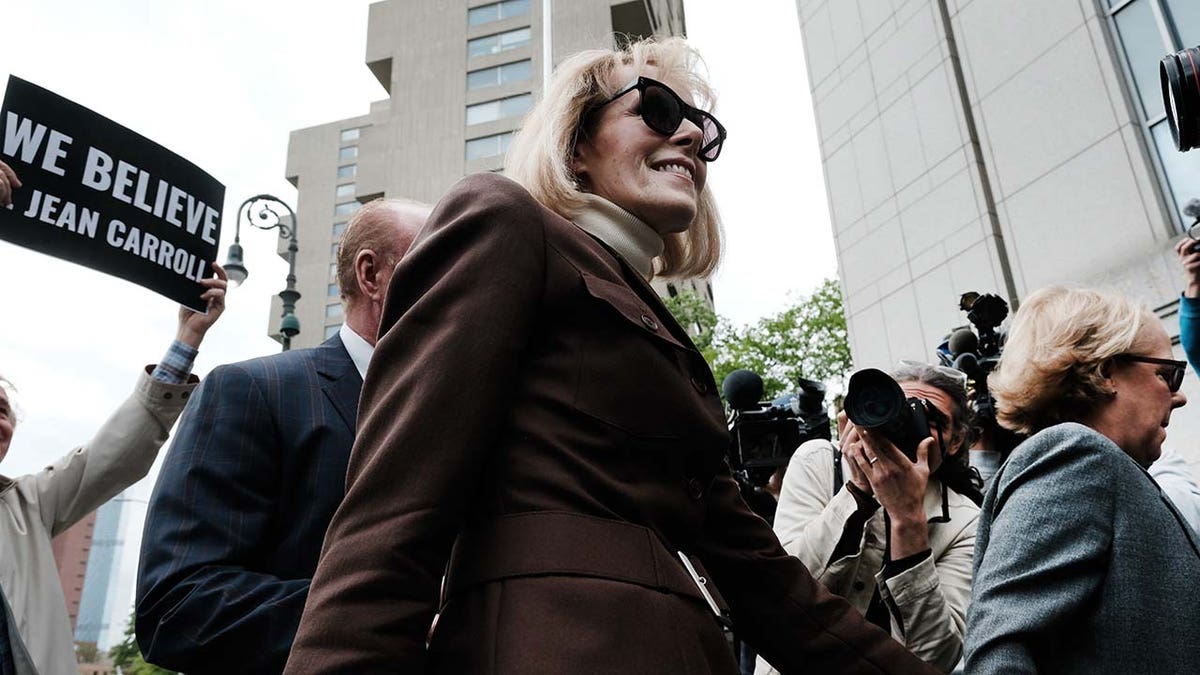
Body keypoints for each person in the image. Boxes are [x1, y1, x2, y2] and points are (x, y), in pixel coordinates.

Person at [284, 37, 936, 674]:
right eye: (656, 109)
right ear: (577, 143)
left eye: (703, 132)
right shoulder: (503, 220)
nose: (689, 139)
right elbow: (392, 518)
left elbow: (774, 588)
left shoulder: (661, 328)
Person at [135, 198, 427, 674]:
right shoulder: (252, 390)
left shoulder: (459, 409)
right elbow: (177, 606)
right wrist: (394, 619)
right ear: (372, 276)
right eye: (437, 261)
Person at [0, 157, 228, 675]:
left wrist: (187, 340)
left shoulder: (27, 505)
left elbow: (114, 453)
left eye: (5, 411)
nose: (1, 416)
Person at [964, 285, 1200, 674]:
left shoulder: (1110, 473)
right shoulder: (1071, 456)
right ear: (1106, 371)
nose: (1179, 397)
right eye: (1167, 375)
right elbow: (999, 652)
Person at [759, 364, 981, 674]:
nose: (909, 429)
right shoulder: (820, 462)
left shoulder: (966, 522)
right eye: (902, 412)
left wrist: (908, 520)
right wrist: (856, 492)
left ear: (955, 442)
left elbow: (934, 657)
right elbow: (777, 590)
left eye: (931, 421)